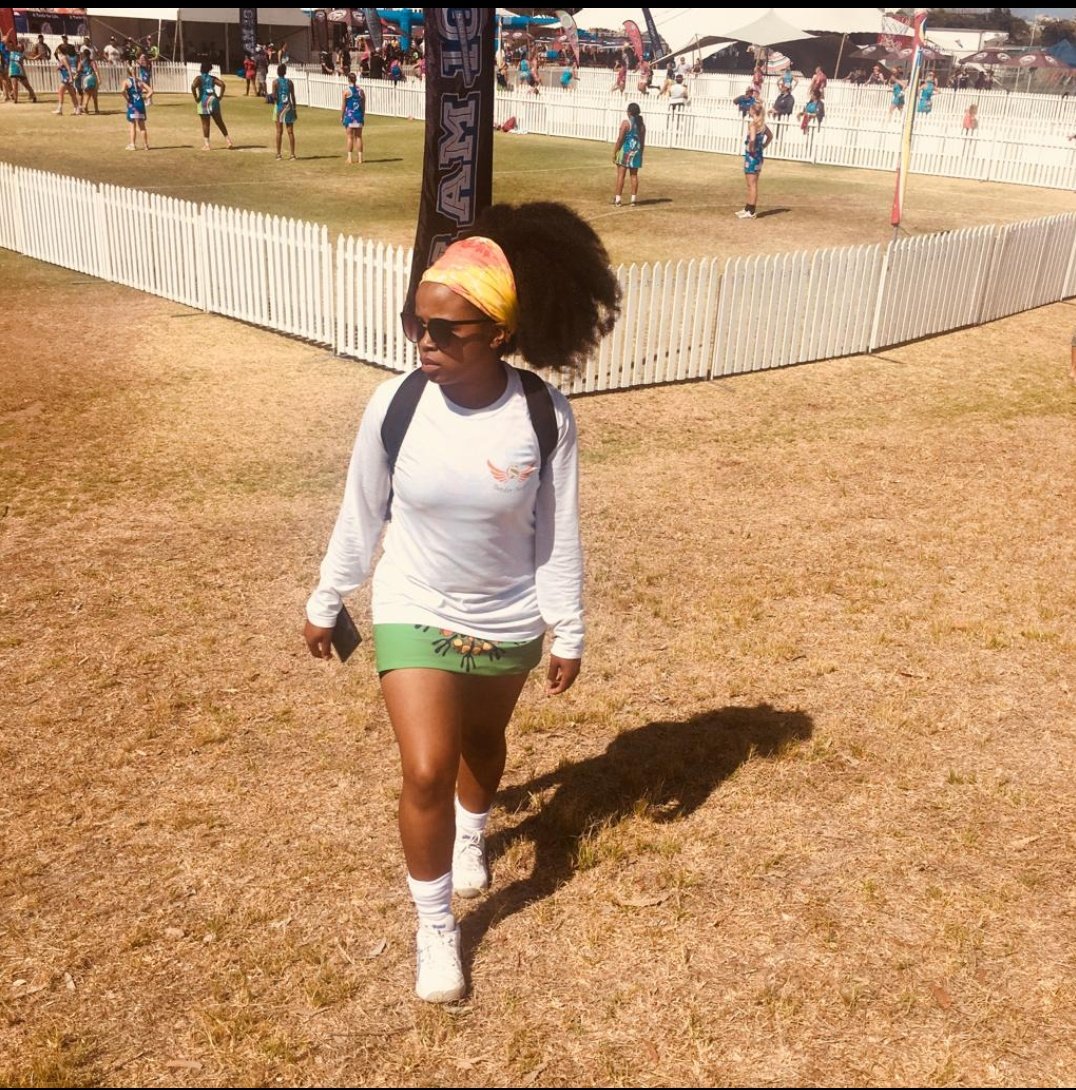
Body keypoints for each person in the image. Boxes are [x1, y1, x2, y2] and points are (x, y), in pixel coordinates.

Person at [303, 202, 619, 1005]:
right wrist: (328, 594)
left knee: (482, 742)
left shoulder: (542, 416)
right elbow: (360, 512)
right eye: (417, 323)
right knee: (426, 767)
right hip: (413, 600)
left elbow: (558, 530)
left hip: (507, 612)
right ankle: (436, 925)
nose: (425, 341)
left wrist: (568, 626)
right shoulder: (395, 405)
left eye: (446, 330)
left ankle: (473, 831)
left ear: (499, 334)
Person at [736, 102, 772, 220]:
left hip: (752, 157)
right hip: (759, 156)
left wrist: (751, 147)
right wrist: (763, 146)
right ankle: (748, 207)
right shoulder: (762, 125)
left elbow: (752, 139)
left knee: (751, 184)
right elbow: (770, 136)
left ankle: (751, 211)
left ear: (753, 111)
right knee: (752, 184)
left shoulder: (753, 125)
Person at [192, 60, 232, 150]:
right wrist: (220, 96)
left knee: (205, 124)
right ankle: (228, 141)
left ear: (201, 68)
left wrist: (196, 97)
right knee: (219, 122)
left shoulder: (199, 78)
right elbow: (222, 84)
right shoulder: (213, 78)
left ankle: (207, 145)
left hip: (203, 100)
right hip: (213, 100)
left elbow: (193, 86)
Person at [612, 101, 645, 206]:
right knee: (634, 175)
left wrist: (615, 151)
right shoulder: (641, 125)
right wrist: (641, 153)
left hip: (626, 151)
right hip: (636, 152)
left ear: (629, 112)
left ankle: (618, 199)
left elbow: (620, 139)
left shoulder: (626, 123)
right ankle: (633, 199)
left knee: (621, 175)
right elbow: (642, 142)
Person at [270, 62, 297, 160]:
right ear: (285, 72)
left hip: (279, 107)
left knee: (279, 131)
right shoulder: (290, 82)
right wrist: (294, 109)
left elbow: (274, 96)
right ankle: (292, 154)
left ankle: (278, 154)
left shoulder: (275, 82)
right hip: (289, 107)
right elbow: (293, 97)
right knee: (290, 131)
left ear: (278, 72)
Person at [123, 63, 153, 149]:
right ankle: (146, 145)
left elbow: (122, 91)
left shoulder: (126, 82)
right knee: (142, 126)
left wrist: (127, 98)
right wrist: (145, 97)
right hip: (140, 104)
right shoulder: (140, 82)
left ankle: (132, 144)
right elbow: (151, 91)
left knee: (132, 124)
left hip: (132, 105)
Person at [340, 71, 365, 164]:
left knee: (349, 137)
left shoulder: (346, 91)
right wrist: (362, 115)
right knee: (359, 137)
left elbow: (344, 105)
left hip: (350, 116)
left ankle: (350, 158)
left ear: (348, 79)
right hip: (358, 116)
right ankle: (360, 158)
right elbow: (363, 105)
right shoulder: (361, 91)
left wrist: (342, 116)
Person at [7, 39, 37, 103]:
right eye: (18, 45)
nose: (18, 46)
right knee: (15, 85)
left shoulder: (22, 55)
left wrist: (36, 57)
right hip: (13, 70)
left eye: (20, 46)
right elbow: (8, 44)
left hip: (20, 71)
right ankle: (15, 99)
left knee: (26, 85)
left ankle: (33, 96)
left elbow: (30, 58)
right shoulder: (11, 52)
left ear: (22, 48)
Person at [53, 48, 79, 115]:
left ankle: (60, 109)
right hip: (67, 77)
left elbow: (68, 68)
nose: (58, 54)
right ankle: (77, 109)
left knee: (60, 92)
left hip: (66, 77)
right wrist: (60, 67)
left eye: (59, 52)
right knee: (72, 94)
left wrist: (70, 78)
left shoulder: (63, 58)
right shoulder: (66, 57)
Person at [78, 48, 100, 115]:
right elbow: (96, 70)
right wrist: (99, 78)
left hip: (84, 78)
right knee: (94, 94)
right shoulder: (92, 62)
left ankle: (86, 107)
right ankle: (96, 109)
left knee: (86, 93)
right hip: (91, 77)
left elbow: (78, 70)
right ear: (89, 54)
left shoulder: (81, 62)